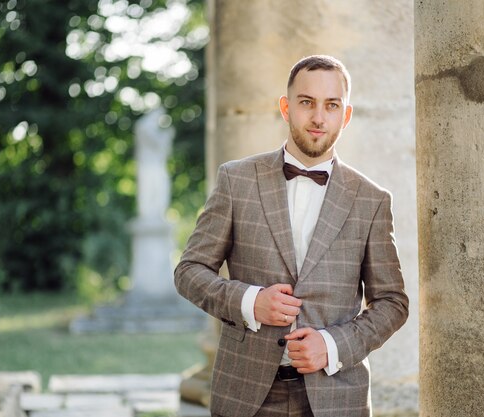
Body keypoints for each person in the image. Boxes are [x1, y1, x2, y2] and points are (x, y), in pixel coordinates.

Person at [174, 55, 409, 417]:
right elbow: (189, 271)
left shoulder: (372, 200)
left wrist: (332, 345)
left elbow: (392, 303)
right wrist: (250, 302)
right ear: (286, 108)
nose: (318, 117)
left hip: (336, 398)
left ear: (345, 116)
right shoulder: (237, 180)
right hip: (246, 395)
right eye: (306, 102)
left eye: (331, 105)